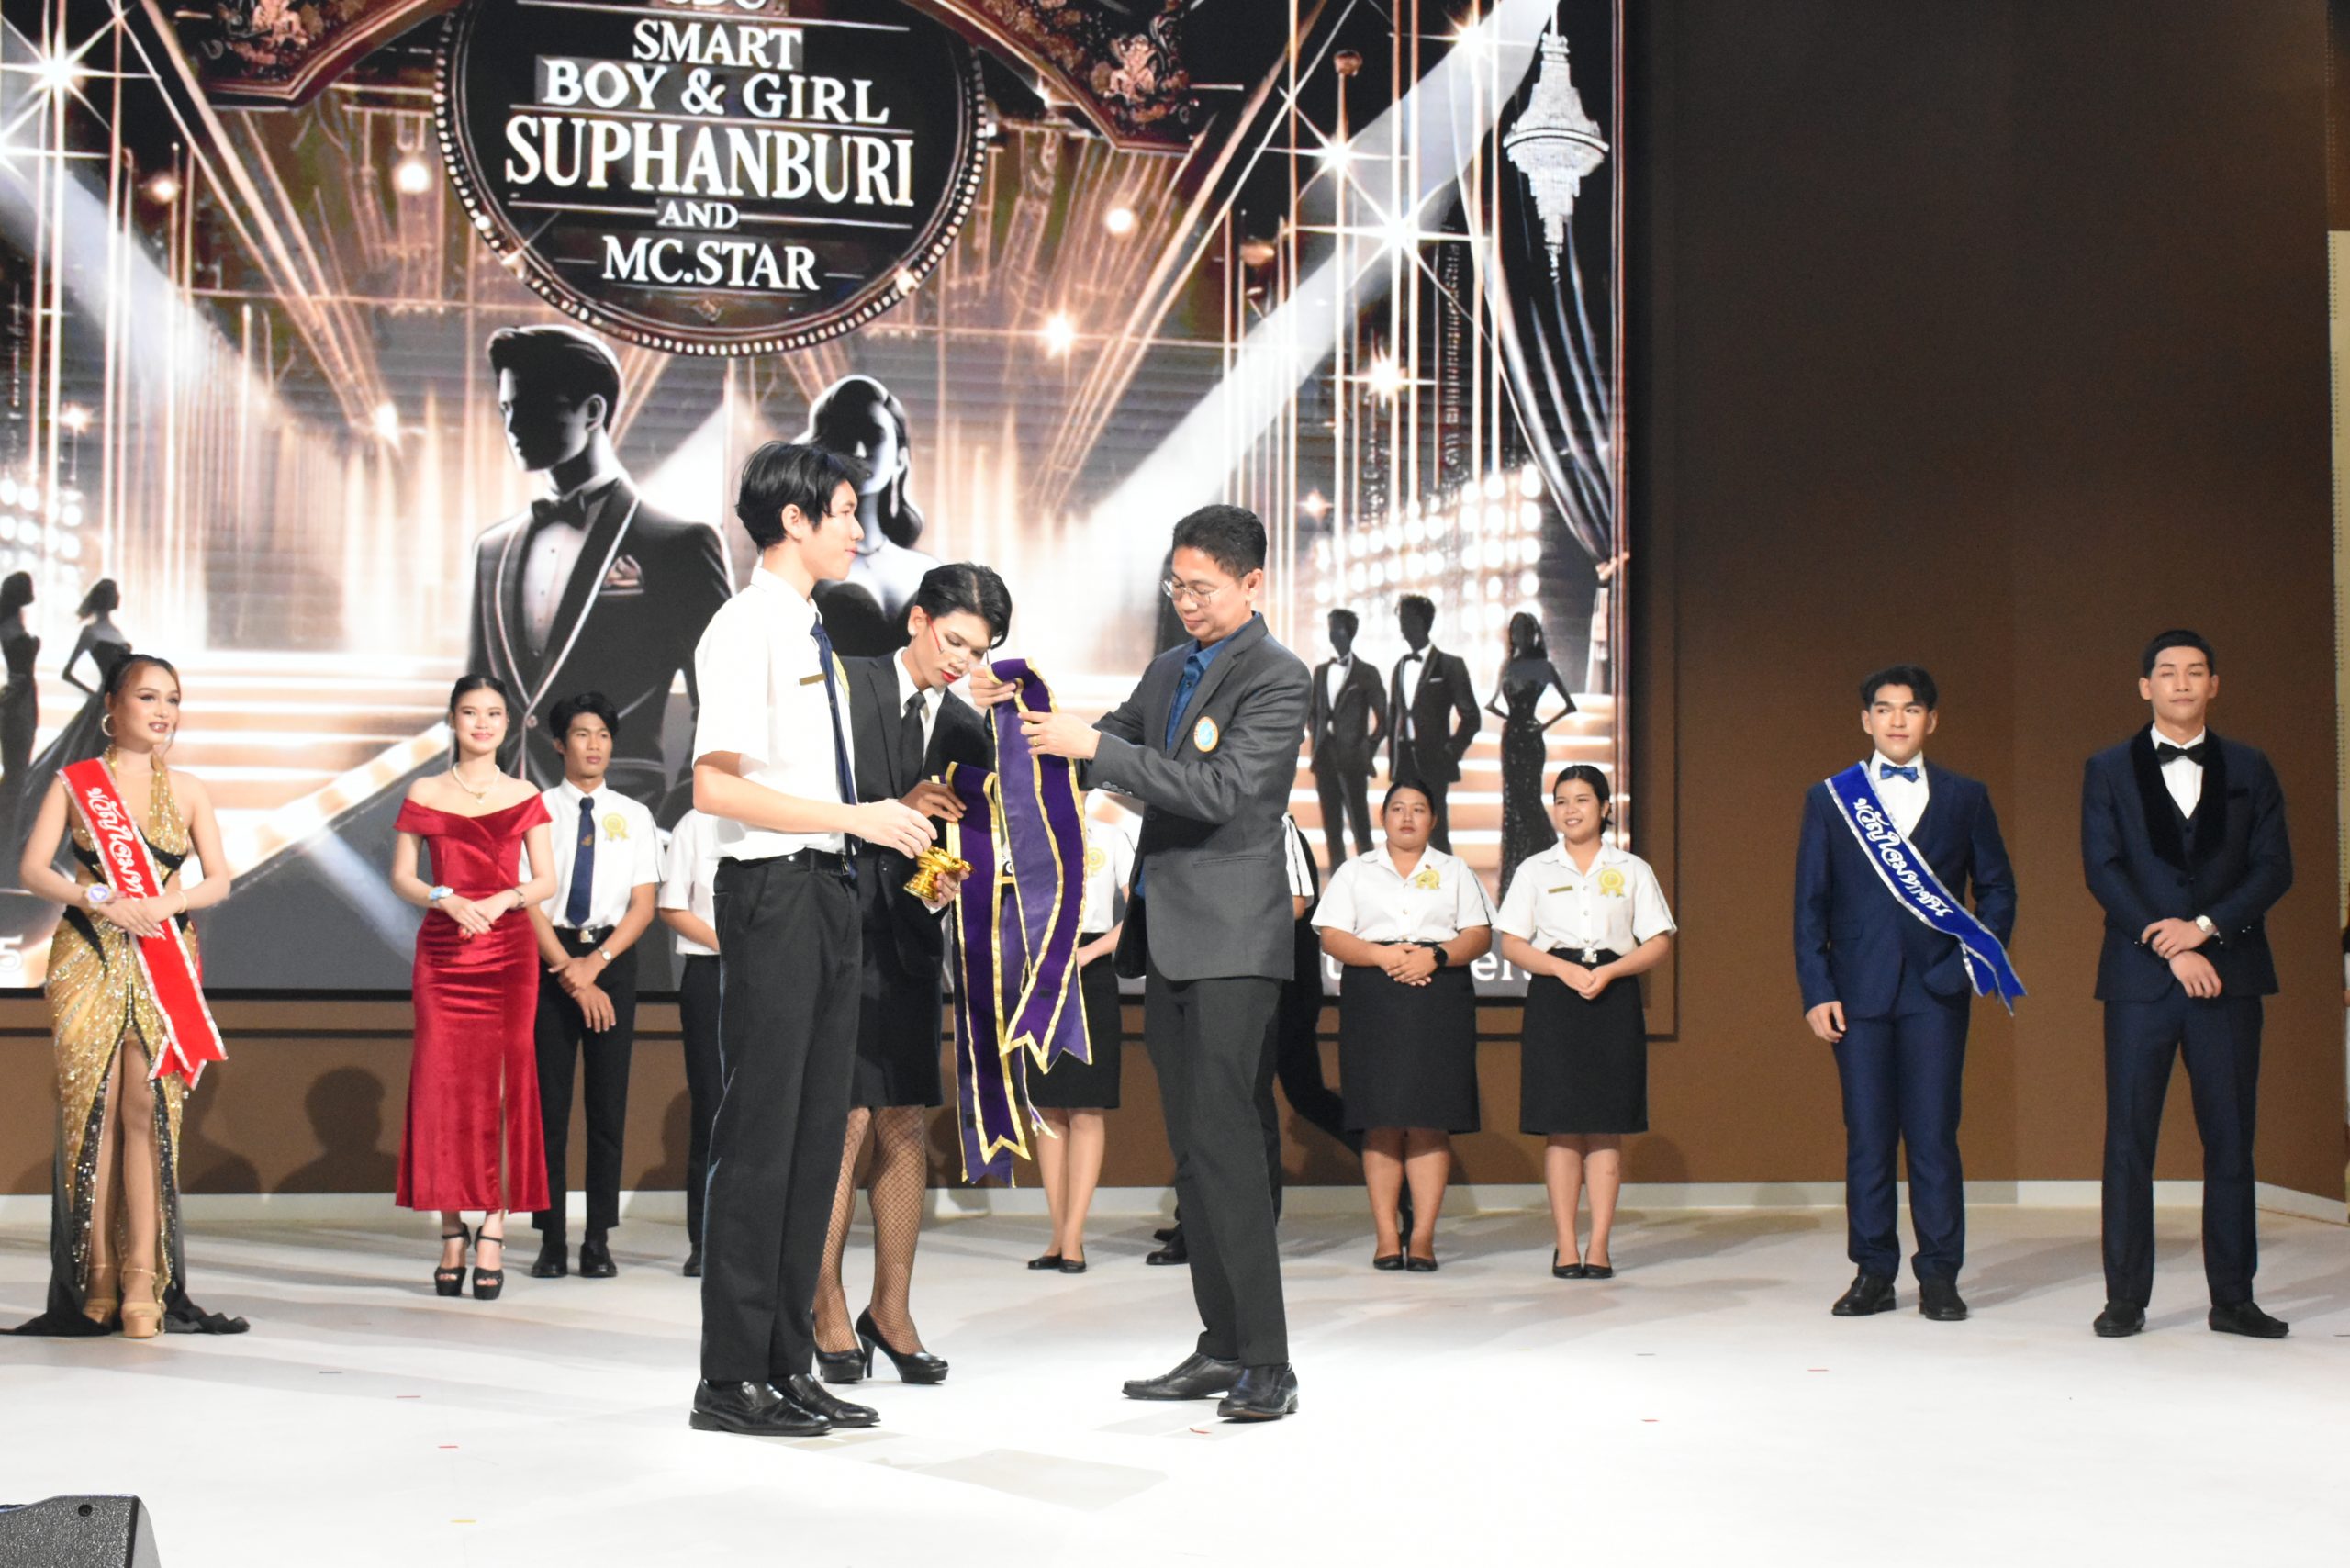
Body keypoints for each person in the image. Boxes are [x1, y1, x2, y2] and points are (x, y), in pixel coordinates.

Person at [979, 504, 1310, 1421]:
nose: (1185, 602)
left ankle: (1269, 1361)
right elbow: (1101, 749)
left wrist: (1097, 747)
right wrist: (1021, 712)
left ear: (1251, 583)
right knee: (1195, 1151)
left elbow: (1222, 790)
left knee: (1229, 1144)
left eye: (1202, 587)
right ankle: (1221, 1343)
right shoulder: (1168, 668)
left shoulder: (1279, 676)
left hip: (1234, 942)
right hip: (1165, 939)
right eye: (1176, 586)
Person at [686, 440, 938, 1439]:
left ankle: (785, 1362)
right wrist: (854, 816)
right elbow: (714, 785)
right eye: (840, 511)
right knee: (761, 1138)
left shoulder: (813, 628)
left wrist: (872, 822)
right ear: (791, 520)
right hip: (774, 892)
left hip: (829, 890)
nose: (855, 528)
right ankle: (728, 1376)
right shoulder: (744, 625)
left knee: (813, 1138)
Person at [8, 654, 246, 1338]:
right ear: (112, 705)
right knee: (97, 1108)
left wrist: (167, 903)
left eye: (172, 699)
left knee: (148, 1109)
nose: (163, 711)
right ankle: (97, 1277)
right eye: (148, 697)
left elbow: (218, 879)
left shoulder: (190, 790)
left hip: (163, 951)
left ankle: (144, 1278)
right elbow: (33, 868)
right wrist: (100, 899)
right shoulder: (77, 784)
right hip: (89, 951)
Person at [812, 563, 1004, 1385]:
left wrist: (944, 879)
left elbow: (954, 847)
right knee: (845, 1121)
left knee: (903, 1122)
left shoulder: (966, 727)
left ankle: (890, 1312)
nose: (962, 659)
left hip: (913, 949)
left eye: (979, 650)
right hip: (837, 936)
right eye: (954, 640)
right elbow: (813, 805)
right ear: (918, 619)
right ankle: (824, 1303)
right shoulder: (842, 685)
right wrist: (898, 805)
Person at [2082, 631, 2292, 1340]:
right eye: (2167, 672)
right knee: (2128, 1142)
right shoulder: (2107, 769)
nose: (2181, 683)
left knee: (2231, 1140)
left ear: (2214, 685)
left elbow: (2275, 868)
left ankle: (2233, 1298)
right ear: (2145, 686)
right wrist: (2167, 942)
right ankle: (2124, 1298)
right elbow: (2103, 869)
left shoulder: (2252, 767)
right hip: (2140, 981)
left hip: (2228, 975)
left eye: (2195, 672)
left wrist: (2203, 928)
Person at [1795, 665, 2016, 1323]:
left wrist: (1974, 963)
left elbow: (1998, 888)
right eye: (1885, 709)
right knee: (1867, 1136)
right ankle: (1873, 1271)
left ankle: (1940, 1275)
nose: (1897, 720)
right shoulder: (1831, 799)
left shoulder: (1966, 796)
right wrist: (1817, 989)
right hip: (1856, 993)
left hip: (1936, 992)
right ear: (1866, 719)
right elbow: (1810, 904)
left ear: (1932, 720)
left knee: (1933, 1136)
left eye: (1911, 709)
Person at [465, 324, 733, 813]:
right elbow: (476, 705)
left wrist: (673, 822)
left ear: (592, 412)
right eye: (506, 409)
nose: (513, 426)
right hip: (502, 823)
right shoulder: (492, 550)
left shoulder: (677, 545)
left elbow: (725, 707)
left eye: (531, 406)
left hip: (621, 819)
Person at [389, 674, 558, 1305]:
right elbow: (403, 876)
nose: (482, 723)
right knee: (442, 1088)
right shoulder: (426, 791)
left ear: (508, 724)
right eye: (469, 712)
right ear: (453, 721)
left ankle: (493, 1228)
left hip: (508, 950)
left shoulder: (524, 793)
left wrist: (503, 899)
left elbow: (545, 880)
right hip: (444, 952)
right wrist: (446, 898)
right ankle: (450, 1231)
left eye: (493, 713)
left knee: (505, 1088)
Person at [1496, 765, 1673, 1279]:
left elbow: (1658, 941)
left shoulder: (1632, 868)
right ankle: (1565, 1245)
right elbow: (1512, 943)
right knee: (1561, 1126)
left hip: (1613, 995)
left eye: (1581, 800)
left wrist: (1612, 971)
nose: (1570, 810)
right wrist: (1561, 969)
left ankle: (1599, 1246)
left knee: (1604, 1126)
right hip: (1555, 997)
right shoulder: (1535, 869)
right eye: (1561, 801)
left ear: (1605, 807)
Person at [1313, 781, 1494, 1271]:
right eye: (1398, 808)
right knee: (1381, 1119)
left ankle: (1424, 1237)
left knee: (1430, 1118)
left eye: (1418, 809)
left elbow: (1479, 935)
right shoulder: (1356, 871)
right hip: (1374, 994)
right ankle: (1387, 1237)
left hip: (1439, 994)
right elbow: (1332, 935)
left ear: (1434, 819)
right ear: (1383, 817)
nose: (1408, 817)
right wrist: (1381, 956)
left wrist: (1436, 956)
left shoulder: (1455, 870)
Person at [1150, 810, 1336, 1266]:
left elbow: (1297, 901)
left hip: (1246, 977)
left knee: (1247, 1103)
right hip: (1181, 973)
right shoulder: (1177, 818)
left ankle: (1256, 1224)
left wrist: (1224, 920)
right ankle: (1196, 1222)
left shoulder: (1275, 821)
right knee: (1189, 1105)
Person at [524, 692, 663, 1282]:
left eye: (604, 735)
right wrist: (570, 972)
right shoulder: (534, 810)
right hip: (550, 959)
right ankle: (551, 1238)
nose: (595, 745)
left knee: (607, 1107)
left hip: (611, 959)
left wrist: (597, 964)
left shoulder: (634, 815)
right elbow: (527, 902)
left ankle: (598, 1239)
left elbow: (643, 904)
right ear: (560, 744)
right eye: (583, 734)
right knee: (548, 1110)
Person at [1028, 790, 1136, 1273]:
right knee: (1048, 1107)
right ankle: (1057, 1235)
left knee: (1087, 1107)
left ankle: (1074, 1237)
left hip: (1090, 971)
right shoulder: (1023, 836)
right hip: (1036, 973)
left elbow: (1139, 913)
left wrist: (1090, 954)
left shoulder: (1111, 838)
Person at [802, 375, 943, 655]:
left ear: (901, 459)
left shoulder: (926, 570)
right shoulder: (801, 563)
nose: (858, 451)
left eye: (874, 436)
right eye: (844, 437)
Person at [657, 806, 723, 1278]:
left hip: (775, 973)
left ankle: (762, 1236)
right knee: (713, 1110)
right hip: (710, 973)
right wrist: (732, 945)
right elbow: (672, 905)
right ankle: (705, 1240)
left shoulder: (783, 816)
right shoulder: (695, 824)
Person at [1487, 612, 1578, 892]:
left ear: (1533, 633)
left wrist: (1538, 726)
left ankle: (1552, 866)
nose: (1520, 636)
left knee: (1528, 802)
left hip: (1527, 739)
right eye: (1516, 631)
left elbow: (1569, 705)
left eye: (1525, 631)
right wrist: (1520, 722)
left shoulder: (1542, 666)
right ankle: (1526, 874)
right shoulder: (1509, 665)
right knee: (1514, 804)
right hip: (1513, 739)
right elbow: (1491, 704)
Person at [1387, 595, 1479, 852]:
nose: (1402, 625)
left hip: (1434, 760)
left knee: (1436, 832)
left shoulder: (1450, 665)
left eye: (1406, 618)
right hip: (1404, 760)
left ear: (1421, 621)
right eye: (1401, 619)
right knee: (1403, 832)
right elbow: (1394, 715)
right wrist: (1394, 761)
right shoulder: (1400, 666)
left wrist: (1450, 752)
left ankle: (1444, 877)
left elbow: (1471, 717)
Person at [1308, 608, 1386, 871]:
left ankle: (1369, 881)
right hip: (1324, 758)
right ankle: (1338, 881)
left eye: (1338, 629)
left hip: (1353, 760)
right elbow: (1313, 711)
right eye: (1330, 629)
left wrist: (1366, 750)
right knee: (1331, 829)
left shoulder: (1367, 673)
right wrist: (1318, 734)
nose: (1333, 634)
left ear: (1350, 633)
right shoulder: (1320, 672)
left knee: (1360, 827)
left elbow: (1384, 720)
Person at [0, 571, 37, 845]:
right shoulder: (10, 626)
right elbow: (20, 674)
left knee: (16, 768)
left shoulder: (11, 623)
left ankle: (9, 830)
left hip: (22, 698)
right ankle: (7, 833)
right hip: (19, 700)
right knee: (16, 769)